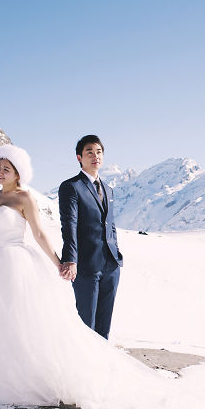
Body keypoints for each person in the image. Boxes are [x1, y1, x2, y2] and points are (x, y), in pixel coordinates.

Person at [0, 144, 166, 409]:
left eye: (7, 169)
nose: (0, 172)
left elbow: (39, 234)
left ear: (18, 174)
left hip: (15, 264)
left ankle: (31, 382)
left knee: (20, 322)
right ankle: (8, 383)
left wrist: (59, 263)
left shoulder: (24, 198)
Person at [58, 135, 123, 340]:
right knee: (86, 324)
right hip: (86, 265)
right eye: (89, 152)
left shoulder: (108, 189)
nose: (95, 156)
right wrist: (70, 259)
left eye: (99, 152)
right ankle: (80, 369)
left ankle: (101, 368)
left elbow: (110, 224)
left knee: (104, 326)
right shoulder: (71, 187)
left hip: (111, 265)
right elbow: (69, 225)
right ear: (79, 157)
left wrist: (117, 253)